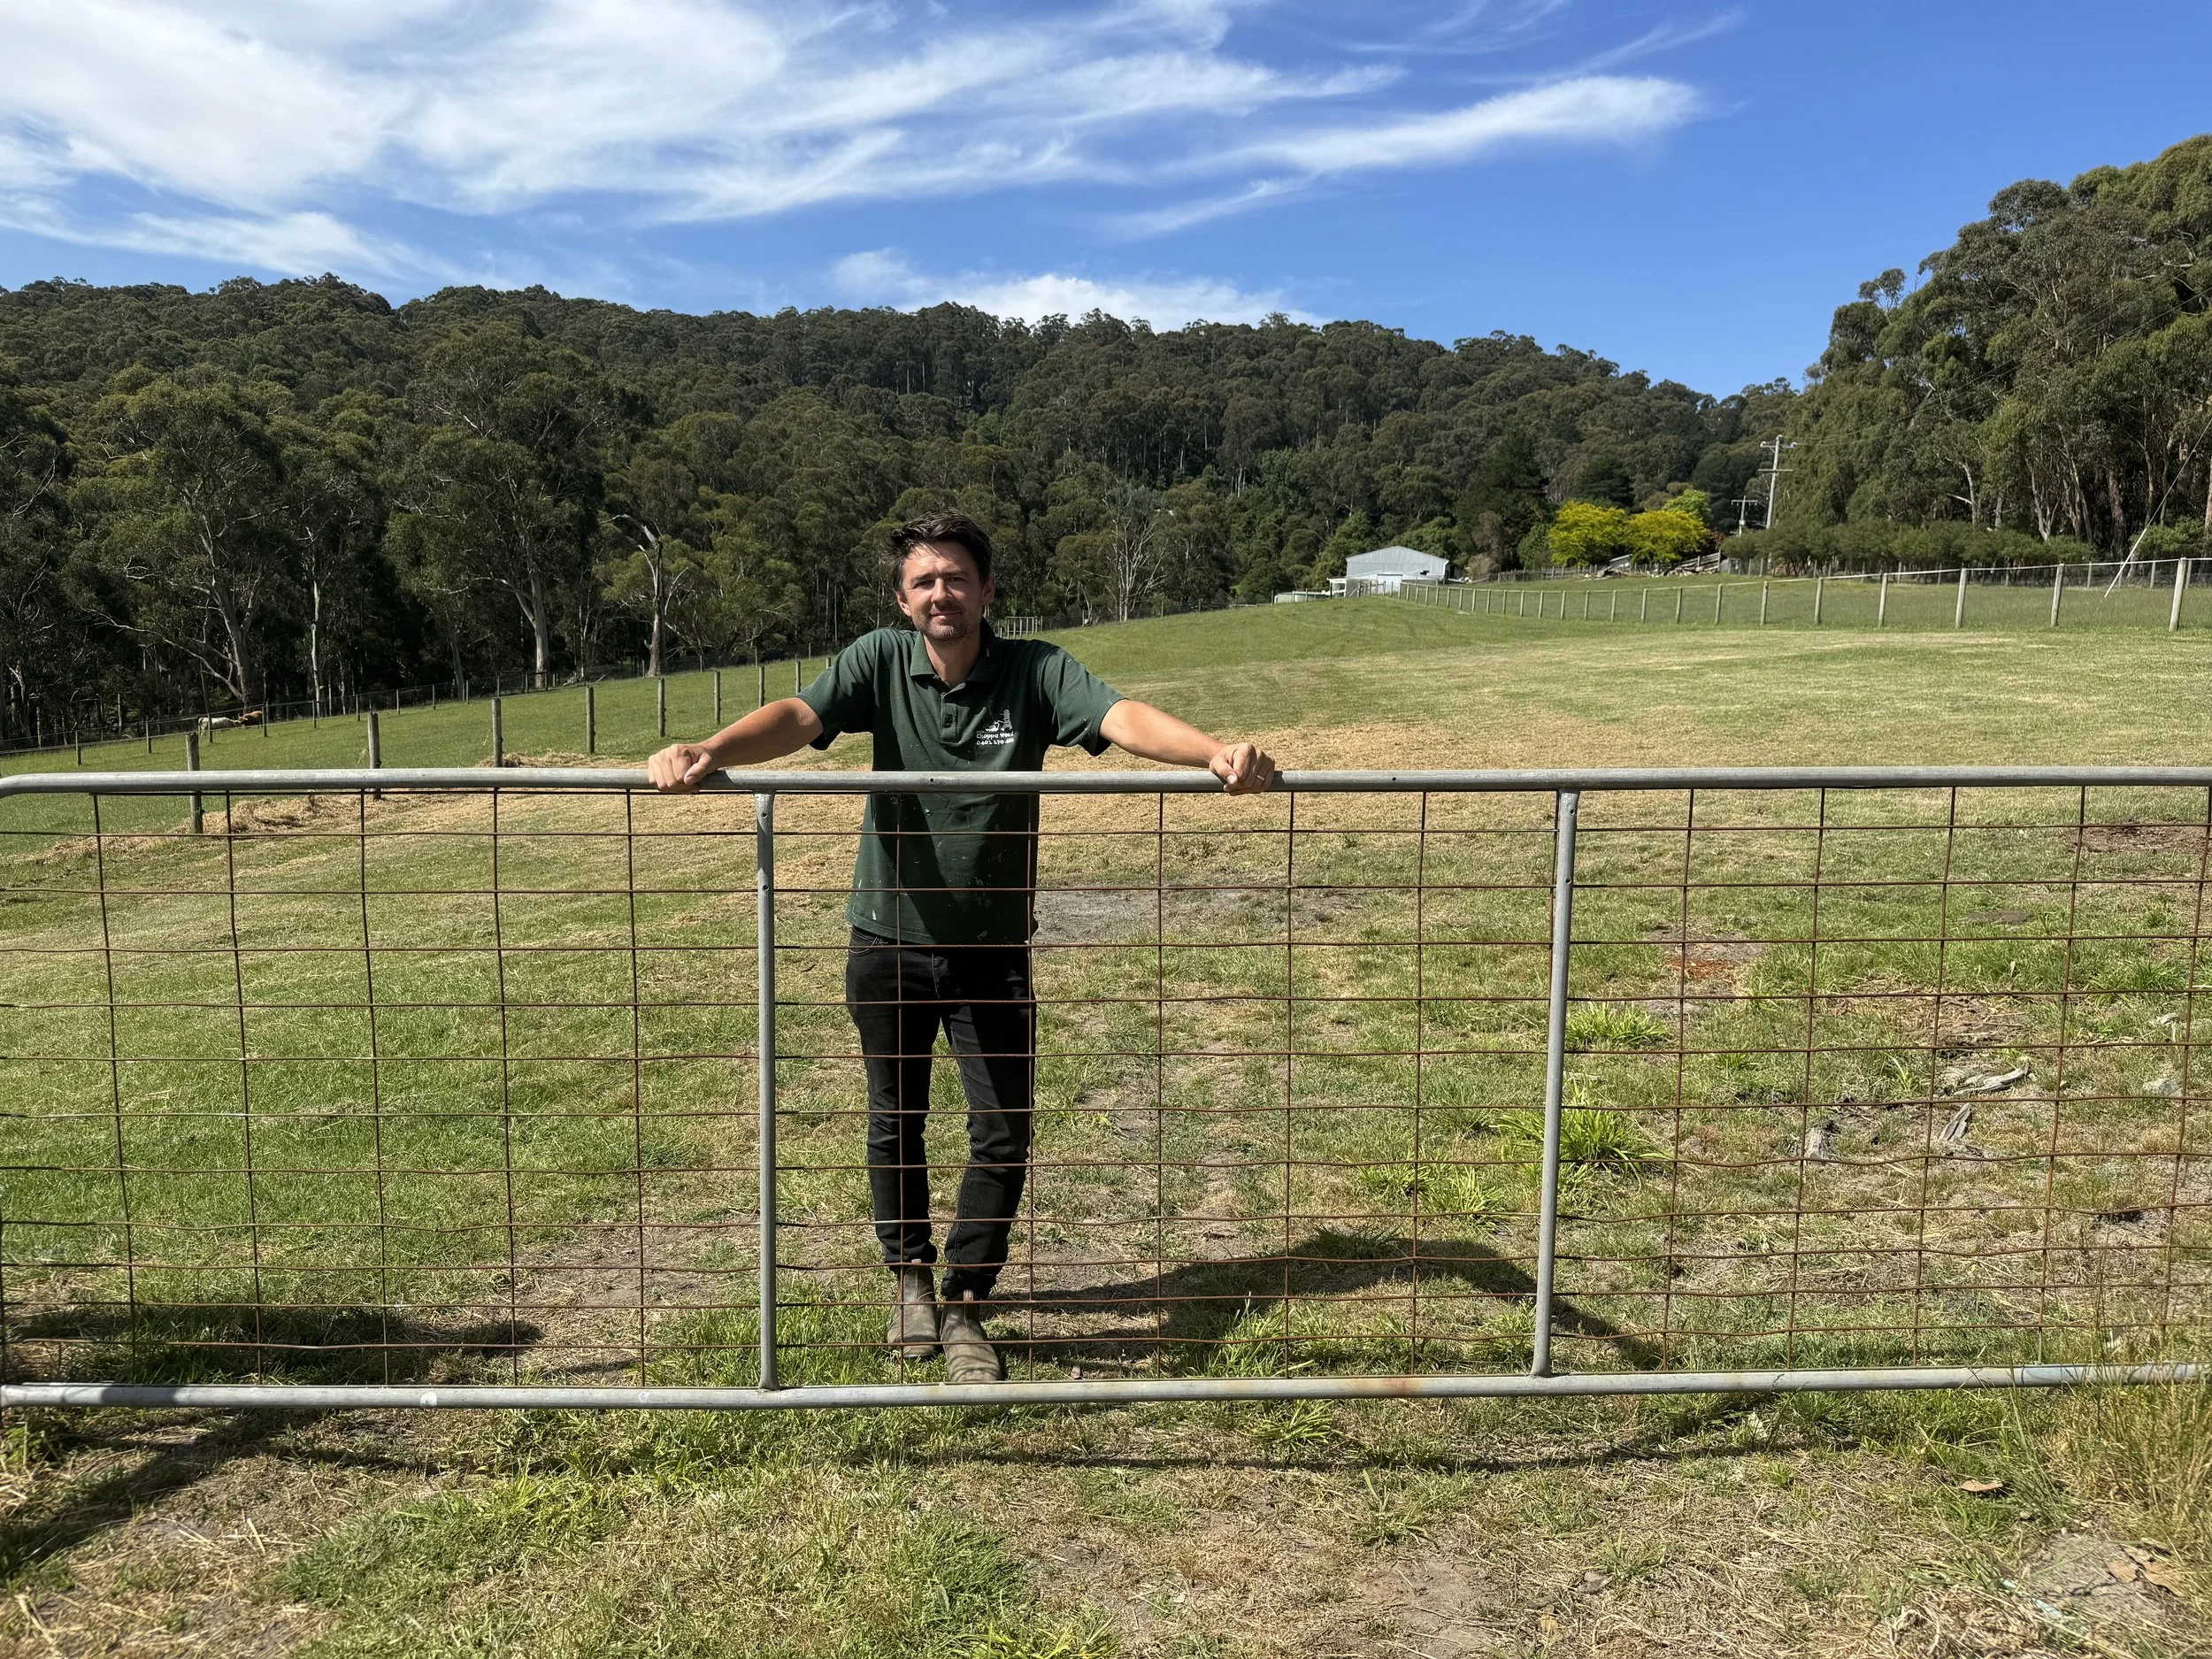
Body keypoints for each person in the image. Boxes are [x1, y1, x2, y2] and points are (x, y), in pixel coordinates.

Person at [648, 510, 1277, 1383]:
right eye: (924, 581)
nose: (941, 593)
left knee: (1002, 1131)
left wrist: (1214, 753)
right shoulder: (878, 661)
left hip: (991, 947)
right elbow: (800, 713)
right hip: (887, 940)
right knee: (893, 1123)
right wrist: (706, 749)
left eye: (956, 578)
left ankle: (966, 1303)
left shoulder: (1035, 670)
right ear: (902, 600)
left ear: (987, 589)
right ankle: (909, 1281)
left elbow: (1120, 715)